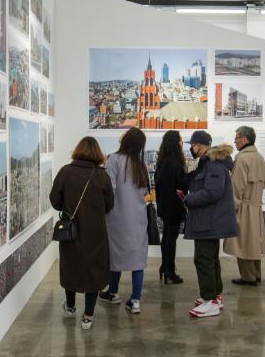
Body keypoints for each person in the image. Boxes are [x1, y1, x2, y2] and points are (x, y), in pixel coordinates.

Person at [49, 137, 115, 330]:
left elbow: (55, 201)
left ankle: (70, 307)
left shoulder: (65, 172)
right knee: (93, 272)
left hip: (71, 231)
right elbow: (110, 205)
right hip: (96, 232)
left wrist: (67, 209)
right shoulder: (102, 176)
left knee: (71, 267)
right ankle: (88, 316)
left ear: (77, 151)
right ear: (97, 153)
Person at [182, 130, 237, 318]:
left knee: (203, 259)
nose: (191, 148)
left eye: (193, 145)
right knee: (211, 258)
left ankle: (209, 300)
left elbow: (213, 192)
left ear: (200, 145)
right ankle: (215, 296)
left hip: (209, 220)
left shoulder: (213, 165)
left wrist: (189, 198)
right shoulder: (211, 163)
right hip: (208, 219)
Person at [99, 127, 150, 314]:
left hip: (117, 217)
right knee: (138, 259)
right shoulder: (140, 164)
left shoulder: (113, 160)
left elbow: (109, 189)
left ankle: (113, 292)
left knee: (115, 255)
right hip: (138, 217)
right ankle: (135, 300)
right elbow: (146, 193)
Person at [225, 126, 265, 286]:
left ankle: (248, 277)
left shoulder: (242, 158)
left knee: (243, 243)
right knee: (254, 241)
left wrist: (233, 208)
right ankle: (256, 274)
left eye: (236, 137)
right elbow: (264, 182)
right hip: (256, 205)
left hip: (244, 206)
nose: (235, 141)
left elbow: (237, 186)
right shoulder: (259, 157)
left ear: (244, 138)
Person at [153, 131, 187, 284]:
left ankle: (165, 267)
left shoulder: (162, 161)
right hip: (174, 206)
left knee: (166, 237)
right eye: (180, 140)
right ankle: (169, 271)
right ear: (175, 143)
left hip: (164, 206)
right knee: (170, 239)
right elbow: (182, 184)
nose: (182, 142)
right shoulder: (175, 163)